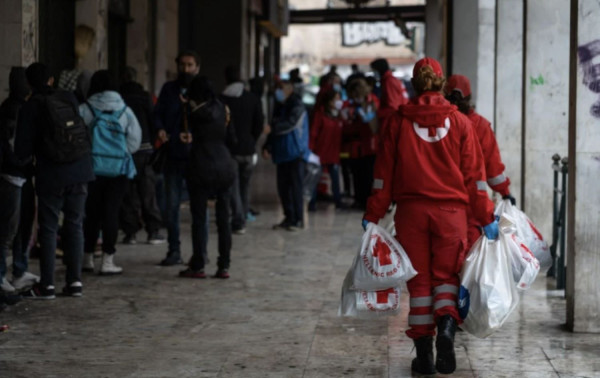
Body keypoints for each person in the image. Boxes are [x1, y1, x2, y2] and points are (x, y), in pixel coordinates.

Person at [362, 58, 498, 375]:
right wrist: (486, 216)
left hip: (411, 214)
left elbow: (383, 176)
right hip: (452, 214)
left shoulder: (397, 122)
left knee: (420, 284)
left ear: (413, 84)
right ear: (440, 84)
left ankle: (424, 355)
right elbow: (475, 179)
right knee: (447, 279)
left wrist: (374, 213)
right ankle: (447, 330)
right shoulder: (462, 123)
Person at [15, 63, 95, 299]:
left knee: (48, 229)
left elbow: (22, 149)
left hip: (51, 173)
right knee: (75, 225)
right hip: (80, 169)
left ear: (29, 83)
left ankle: (47, 285)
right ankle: (75, 283)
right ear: (51, 80)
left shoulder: (30, 107)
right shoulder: (68, 97)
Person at [79, 70, 141, 275]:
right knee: (111, 213)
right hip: (118, 171)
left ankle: (87, 258)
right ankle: (108, 261)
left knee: (91, 213)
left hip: (91, 169)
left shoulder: (85, 109)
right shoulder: (125, 111)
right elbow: (134, 143)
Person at [445, 74, 515, 249]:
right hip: (474, 204)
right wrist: (505, 192)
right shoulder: (480, 126)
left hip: (443, 203)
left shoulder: (440, 124)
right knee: (469, 259)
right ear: (469, 97)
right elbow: (493, 168)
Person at [178, 76, 236, 279]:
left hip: (200, 167)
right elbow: (233, 140)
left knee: (199, 218)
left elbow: (185, 135)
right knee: (223, 220)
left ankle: (199, 264)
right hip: (225, 167)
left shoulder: (192, 113)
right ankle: (224, 266)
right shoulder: (224, 110)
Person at [154, 50, 200, 266]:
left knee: (197, 207)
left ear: (197, 67)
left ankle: (200, 253)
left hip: (196, 158)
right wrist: (162, 130)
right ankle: (174, 250)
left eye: (190, 65)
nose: (186, 69)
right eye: (183, 65)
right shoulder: (168, 90)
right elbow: (158, 115)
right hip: (173, 156)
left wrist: (195, 135)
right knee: (171, 206)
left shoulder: (202, 90)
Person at [0, 67, 39, 294]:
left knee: (17, 227)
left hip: (16, 176)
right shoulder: (17, 110)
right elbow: (15, 148)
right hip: (13, 177)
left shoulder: (9, 107)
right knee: (10, 229)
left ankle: (18, 269)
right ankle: (9, 273)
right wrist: (27, 161)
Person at [118, 67, 165, 245]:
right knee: (148, 194)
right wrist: (152, 144)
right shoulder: (145, 97)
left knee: (128, 195)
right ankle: (153, 231)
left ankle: (130, 233)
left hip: (125, 152)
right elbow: (154, 122)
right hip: (145, 152)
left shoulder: (119, 99)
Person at [220, 66, 264, 234]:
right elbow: (259, 122)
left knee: (234, 187)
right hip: (249, 149)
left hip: (230, 150)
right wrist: (252, 139)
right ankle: (243, 215)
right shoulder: (252, 98)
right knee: (245, 186)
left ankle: (238, 220)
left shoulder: (222, 99)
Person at [263, 80, 309, 231]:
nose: (278, 92)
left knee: (295, 187)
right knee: (283, 188)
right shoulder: (280, 106)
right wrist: (268, 146)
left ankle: (297, 219)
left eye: (280, 89)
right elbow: (273, 127)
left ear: (289, 90)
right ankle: (289, 217)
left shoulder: (297, 106)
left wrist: (272, 128)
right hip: (282, 152)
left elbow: (290, 124)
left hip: (295, 152)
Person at [343, 78, 379, 210]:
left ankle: (368, 202)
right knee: (357, 174)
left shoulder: (372, 102)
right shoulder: (352, 105)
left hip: (370, 145)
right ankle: (359, 199)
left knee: (369, 175)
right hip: (356, 146)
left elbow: (374, 126)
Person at [308, 88, 344, 210]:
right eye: (336, 99)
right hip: (320, 153)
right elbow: (313, 133)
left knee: (335, 178)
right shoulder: (320, 115)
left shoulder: (340, 116)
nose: (339, 101)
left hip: (334, 153)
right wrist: (311, 151)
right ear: (329, 101)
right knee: (315, 178)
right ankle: (311, 203)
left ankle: (338, 201)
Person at [370, 58, 409, 134]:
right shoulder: (389, 80)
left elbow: (393, 107)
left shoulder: (389, 82)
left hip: (394, 121)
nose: (373, 73)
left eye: (374, 70)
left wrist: (377, 114)